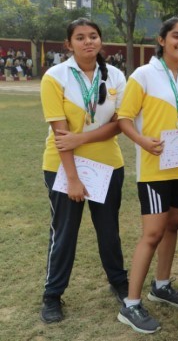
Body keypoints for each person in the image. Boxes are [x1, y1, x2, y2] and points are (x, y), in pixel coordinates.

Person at [117, 17, 178, 334]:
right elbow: (124, 118)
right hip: (154, 169)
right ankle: (130, 304)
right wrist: (143, 141)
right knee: (152, 233)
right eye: (176, 36)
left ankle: (162, 284)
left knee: (173, 225)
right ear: (162, 39)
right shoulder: (143, 75)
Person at [39, 18, 128, 323]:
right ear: (69, 44)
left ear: (100, 40)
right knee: (64, 233)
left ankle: (119, 283)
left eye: (93, 36)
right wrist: (73, 179)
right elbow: (61, 135)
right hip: (64, 167)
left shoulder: (115, 75)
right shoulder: (55, 77)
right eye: (80, 37)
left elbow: (120, 123)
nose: (88, 41)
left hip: (107, 165)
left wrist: (82, 139)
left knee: (109, 230)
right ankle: (52, 295)